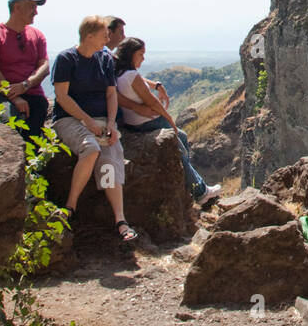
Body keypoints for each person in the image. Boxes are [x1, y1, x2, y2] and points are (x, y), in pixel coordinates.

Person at [52, 15, 137, 243]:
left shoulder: (104, 59)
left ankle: (120, 219)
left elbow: (111, 94)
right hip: (69, 119)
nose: (108, 39)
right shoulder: (66, 59)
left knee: (109, 159)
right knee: (90, 149)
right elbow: (62, 97)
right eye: (104, 35)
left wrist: (110, 124)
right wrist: (87, 121)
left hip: (101, 120)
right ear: (89, 36)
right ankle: (70, 207)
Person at [112, 37, 221, 206]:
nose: (143, 58)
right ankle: (200, 192)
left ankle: (193, 184)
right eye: (141, 54)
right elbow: (153, 102)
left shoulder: (120, 74)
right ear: (131, 55)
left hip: (134, 123)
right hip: (147, 123)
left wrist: (156, 86)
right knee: (179, 150)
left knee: (183, 138)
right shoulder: (132, 75)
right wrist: (169, 120)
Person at [0, 0, 50, 142]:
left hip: (32, 95)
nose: (36, 12)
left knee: (33, 139)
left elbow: (44, 66)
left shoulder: (37, 35)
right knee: (9, 129)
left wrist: (25, 85)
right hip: (0, 94)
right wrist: (15, 97)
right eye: (32, 7)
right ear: (16, 7)